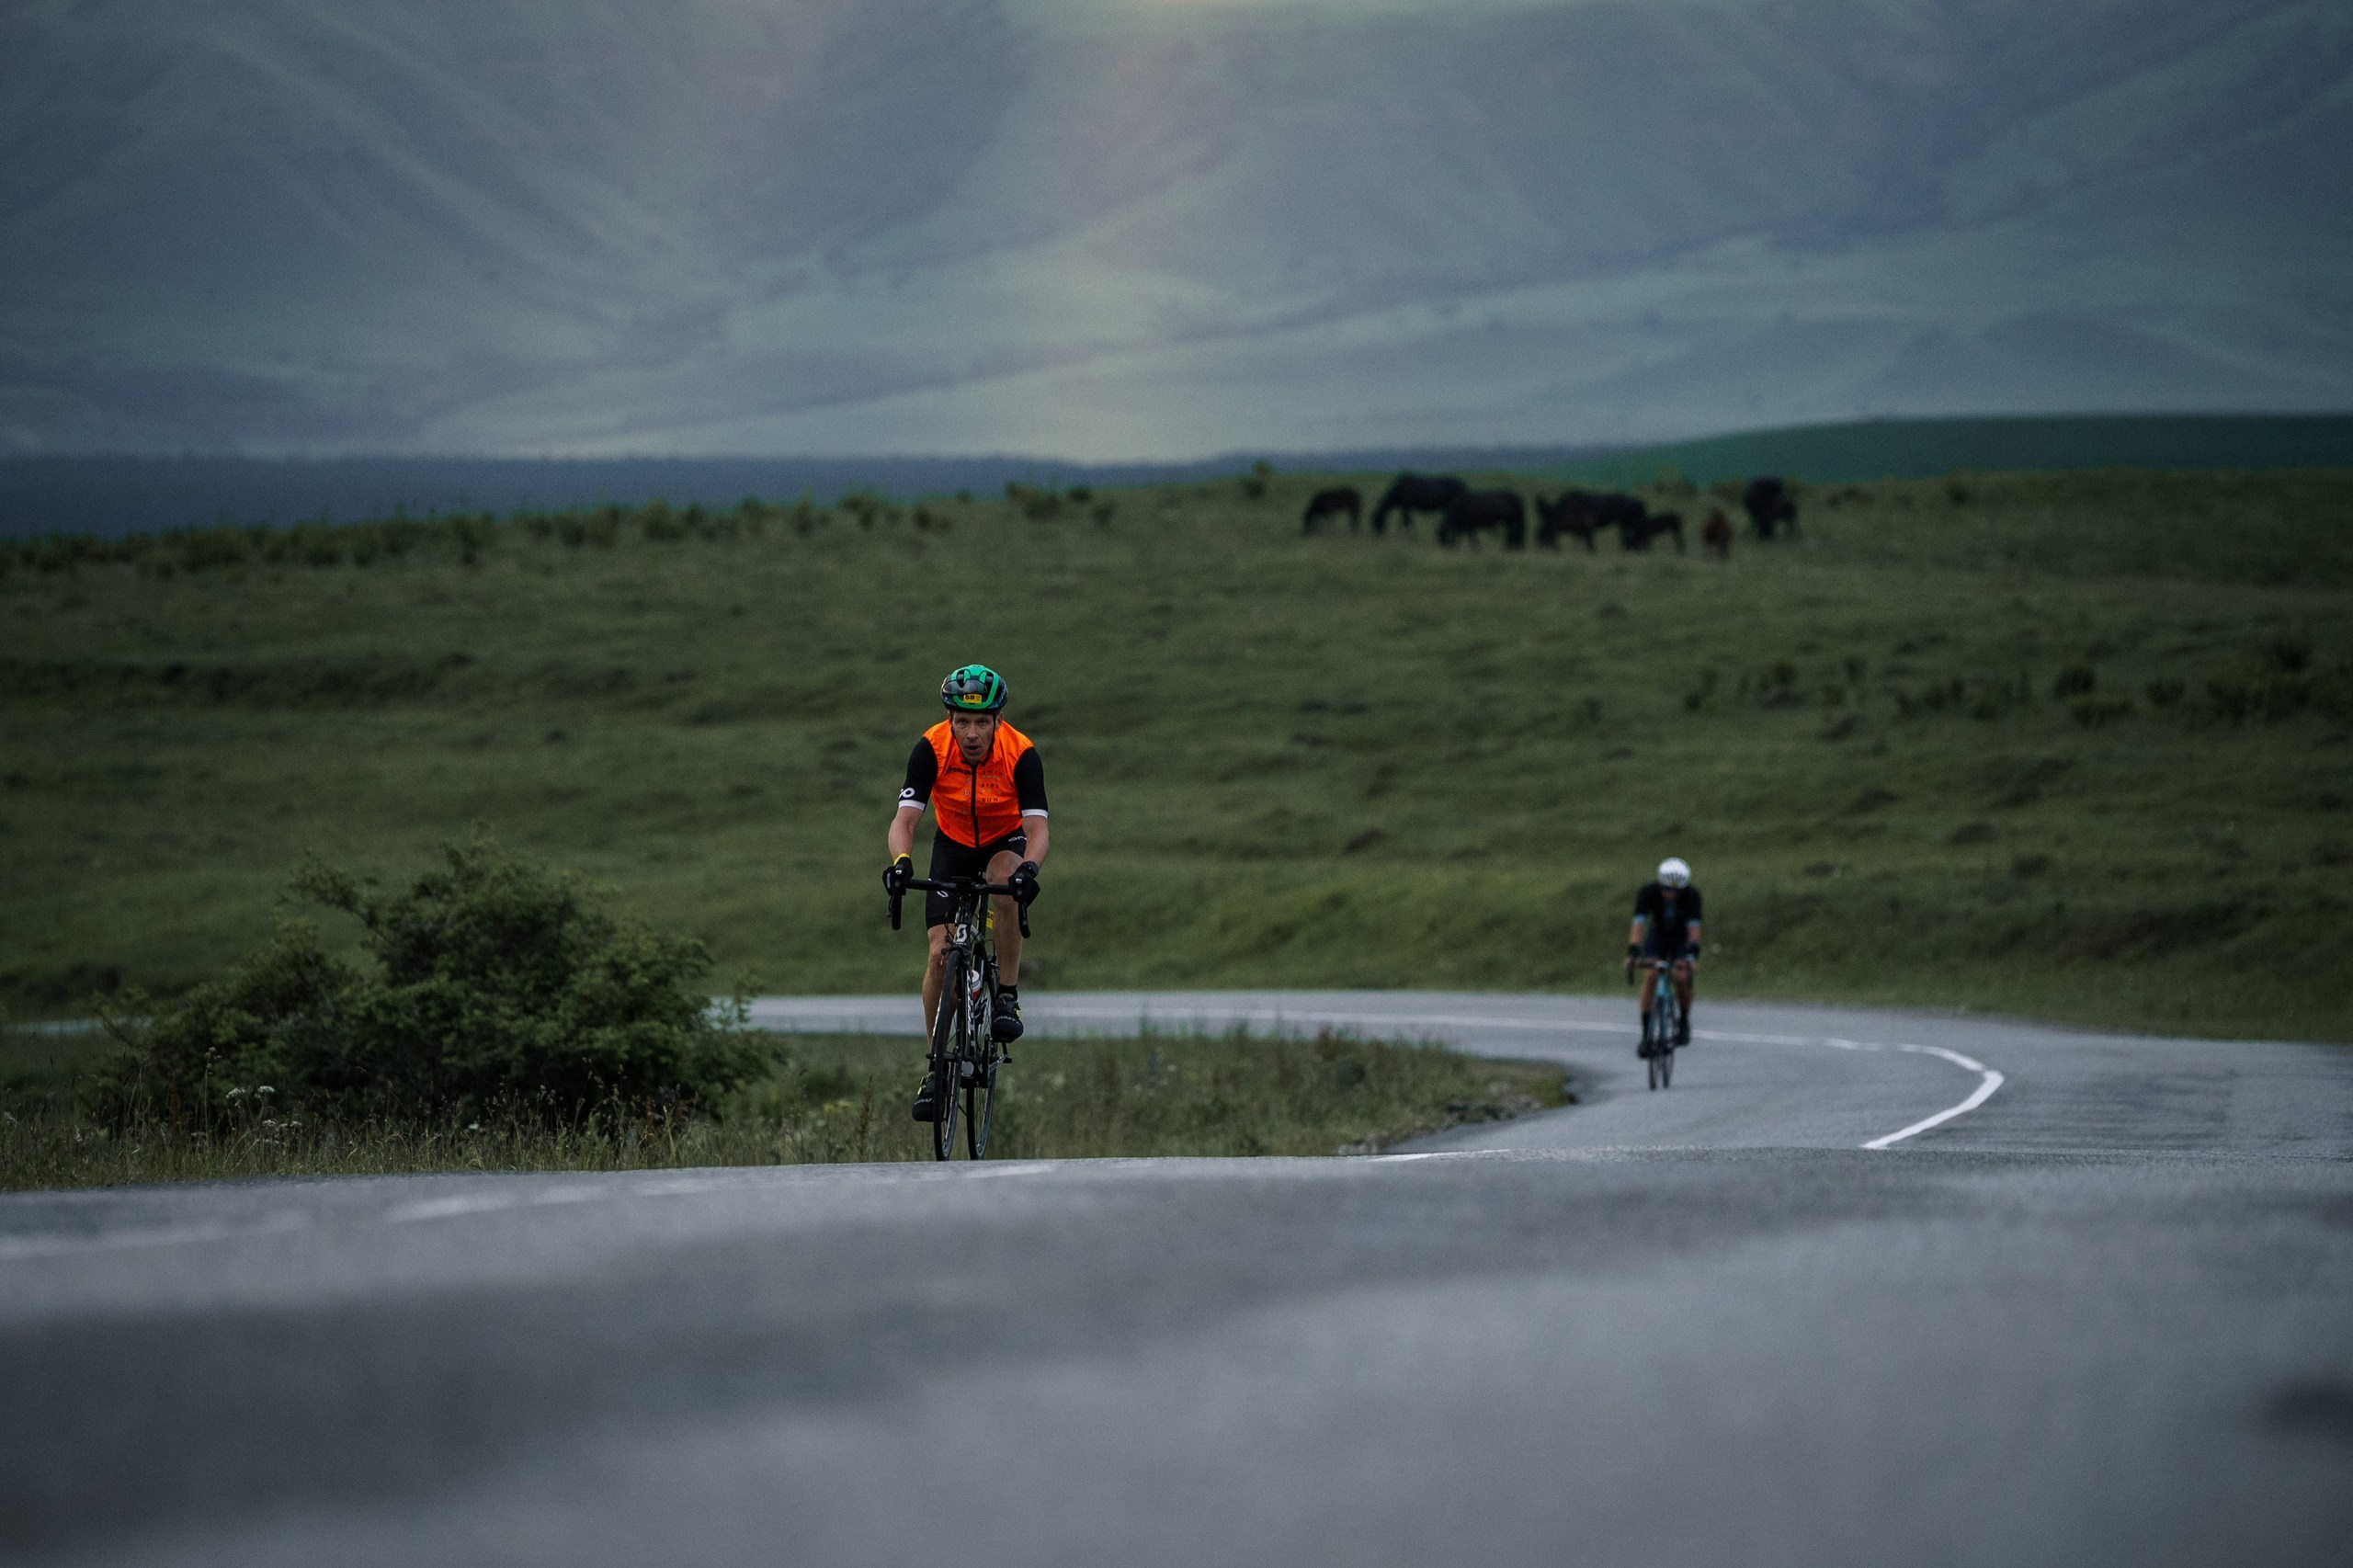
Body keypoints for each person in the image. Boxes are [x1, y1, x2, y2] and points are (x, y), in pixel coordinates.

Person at [882, 664, 1049, 1122]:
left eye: (981, 722)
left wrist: (1029, 870)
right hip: (952, 845)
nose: (971, 733)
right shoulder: (931, 748)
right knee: (940, 953)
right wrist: (900, 864)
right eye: (962, 722)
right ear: (950, 720)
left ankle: (1008, 996)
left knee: (1005, 881)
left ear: (998, 720)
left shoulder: (1021, 754)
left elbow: (1038, 830)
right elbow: (905, 820)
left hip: (1006, 840)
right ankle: (936, 1068)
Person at [1626, 857, 1702, 1052]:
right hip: (1658, 935)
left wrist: (1692, 957)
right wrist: (1633, 951)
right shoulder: (1648, 892)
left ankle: (1684, 1021)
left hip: (1680, 938)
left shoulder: (1692, 896)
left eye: (1677, 890)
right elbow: (1638, 925)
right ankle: (1646, 1035)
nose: (1672, 894)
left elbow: (1694, 931)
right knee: (1651, 975)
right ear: (1660, 883)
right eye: (1667, 889)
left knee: (1680, 976)